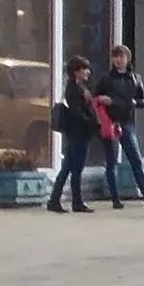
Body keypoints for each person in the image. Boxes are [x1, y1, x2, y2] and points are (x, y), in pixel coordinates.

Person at [95, 43, 144, 207]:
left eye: (122, 57)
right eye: (116, 57)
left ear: (128, 59)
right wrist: (103, 100)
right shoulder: (106, 79)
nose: (119, 60)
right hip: (110, 122)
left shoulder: (134, 78)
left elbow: (143, 101)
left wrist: (134, 102)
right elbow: (96, 99)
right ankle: (115, 199)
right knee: (111, 160)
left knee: (136, 159)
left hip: (127, 122)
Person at [48, 55, 99, 214]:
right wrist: (91, 122)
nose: (87, 72)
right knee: (75, 168)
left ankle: (55, 199)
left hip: (79, 132)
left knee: (69, 167)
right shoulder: (73, 89)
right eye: (84, 69)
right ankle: (74, 201)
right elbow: (77, 111)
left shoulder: (80, 86)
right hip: (78, 132)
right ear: (75, 71)